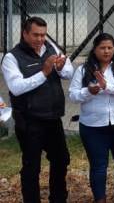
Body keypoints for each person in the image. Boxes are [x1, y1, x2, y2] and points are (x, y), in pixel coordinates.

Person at [2, 16, 73, 203]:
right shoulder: (11, 57)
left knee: (61, 160)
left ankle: (58, 199)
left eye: (43, 35)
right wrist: (44, 72)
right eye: (36, 35)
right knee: (32, 167)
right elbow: (16, 87)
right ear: (25, 34)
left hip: (53, 117)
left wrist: (61, 68)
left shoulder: (51, 48)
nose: (40, 39)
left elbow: (69, 73)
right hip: (29, 120)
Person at [69, 33, 114, 203]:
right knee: (98, 166)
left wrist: (107, 86)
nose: (106, 51)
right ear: (94, 49)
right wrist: (88, 92)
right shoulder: (83, 70)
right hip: (93, 127)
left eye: (109, 48)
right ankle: (100, 199)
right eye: (102, 48)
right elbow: (73, 95)